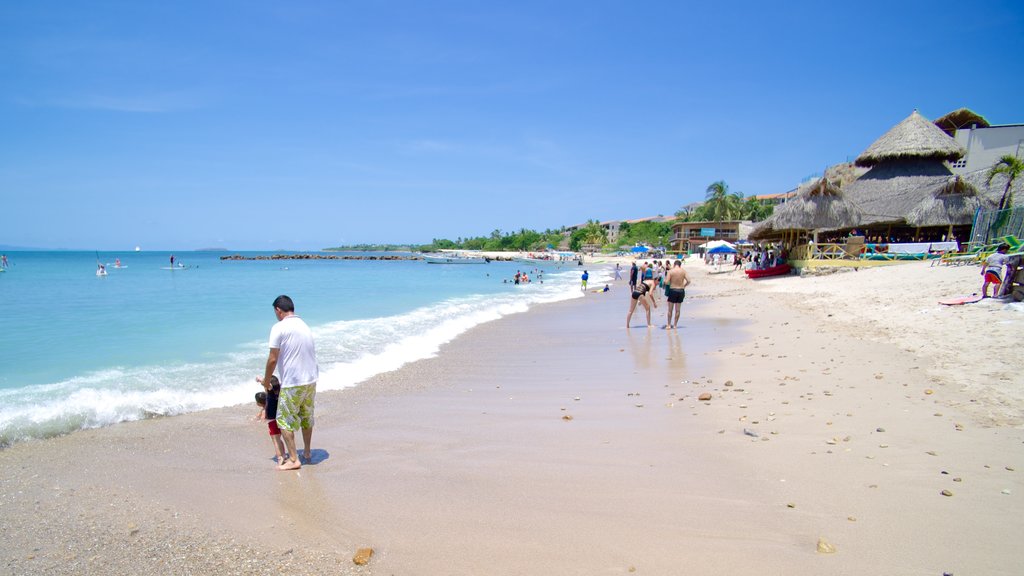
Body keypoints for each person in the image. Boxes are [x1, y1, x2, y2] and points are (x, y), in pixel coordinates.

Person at [263, 295, 319, 471]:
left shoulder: (279, 327)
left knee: (284, 420)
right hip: (310, 380)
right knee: (306, 417)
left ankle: (294, 459)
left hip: (293, 381)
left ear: (278, 310)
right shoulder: (304, 325)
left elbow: (273, 358)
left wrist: (266, 381)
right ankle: (308, 452)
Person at [254, 376, 287, 465]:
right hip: (281, 418)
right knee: (279, 439)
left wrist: (259, 379)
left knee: (276, 440)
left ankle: (280, 457)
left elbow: (267, 385)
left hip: (272, 421)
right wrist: (261, 379)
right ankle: (284, 455)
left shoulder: (270, 393)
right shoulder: (279, 391)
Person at [664, 260, 692, 329]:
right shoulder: (683, 271)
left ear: (674, 264)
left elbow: (666, 282)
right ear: (680, 265)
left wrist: (665, 282)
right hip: (681, 290)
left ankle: (669, 325)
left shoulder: (670, 271)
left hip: (673, 290)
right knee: (678, 310)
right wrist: (684, 286)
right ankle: (675, 325)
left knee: (670, 309)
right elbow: (689, 281)